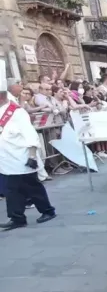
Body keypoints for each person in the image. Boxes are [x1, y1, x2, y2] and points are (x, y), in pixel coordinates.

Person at [0, 65, 57, 231]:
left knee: (32, 187)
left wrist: (32, 156)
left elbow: (30, 135)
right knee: (12, 191)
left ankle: (48, 210)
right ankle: (17, 218)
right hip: (7, 160)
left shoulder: (17, 113)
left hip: (22, 159)